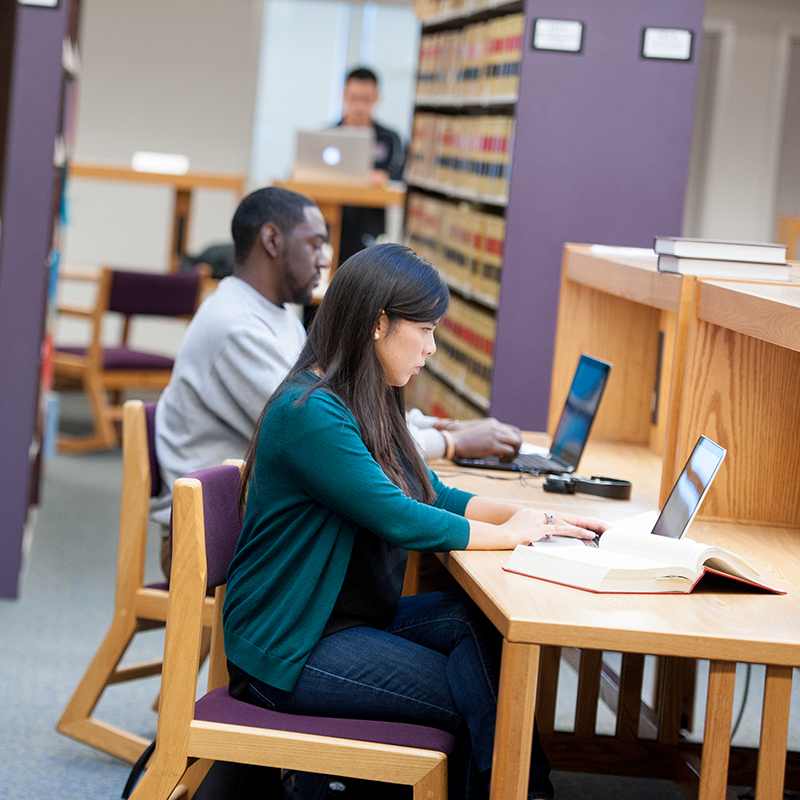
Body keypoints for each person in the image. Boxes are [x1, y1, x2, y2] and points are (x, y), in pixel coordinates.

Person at [222, 243, 606, 799]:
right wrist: (507, 537)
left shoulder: (371, 396)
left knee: (472, 626)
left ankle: (524, 792)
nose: (430, 349)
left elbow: (433, 495)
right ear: (379, 323)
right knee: (482, 700)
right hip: (289, 646)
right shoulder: (310, 411)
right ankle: (524, 793)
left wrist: (538, 518)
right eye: (424, 330)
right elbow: (399, 518)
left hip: (342, 621)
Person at [150, 186, 330, 573]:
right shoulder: (237, 327)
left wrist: (425, 428)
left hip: (247, 519)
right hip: (208, 537)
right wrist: (444, 442)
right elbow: (319, 433)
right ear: (271, 239)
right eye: (315, 245)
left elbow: (329, 404)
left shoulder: (277, 315)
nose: (324, 260)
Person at [338, 66, 405, 263]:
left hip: (371, 228)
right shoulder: (328, 136)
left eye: (365, 99)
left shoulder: (390, 139)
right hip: (335, 222)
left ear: (376, 98)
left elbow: (394, 178)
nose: (359, 106)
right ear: (344, 95)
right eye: (354, 98)